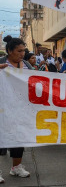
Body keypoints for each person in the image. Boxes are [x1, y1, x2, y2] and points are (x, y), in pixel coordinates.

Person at [0, 35, 31, 179]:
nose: (22, 54)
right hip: (2, 108)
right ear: (9, 51)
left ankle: (16, 167)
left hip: (20, 109)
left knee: (19, 138)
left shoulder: (26, 65)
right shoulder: (1, 63)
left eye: (23, 51)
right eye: (19, 51)